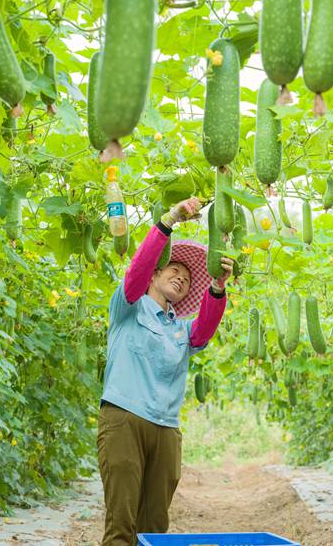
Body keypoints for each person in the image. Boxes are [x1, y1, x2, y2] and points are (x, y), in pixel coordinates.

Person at [98, 196, 234, 546]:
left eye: (188, 279)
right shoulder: (128, 305)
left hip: (166, 430)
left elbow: (205, 328)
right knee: (121, 524)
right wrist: (169, 221)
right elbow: (136, 269)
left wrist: (217, 287)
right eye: (174, 269)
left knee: (154, 528)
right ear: (155, 275)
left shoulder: (182, 330)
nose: (181, 277)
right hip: (124, 420)